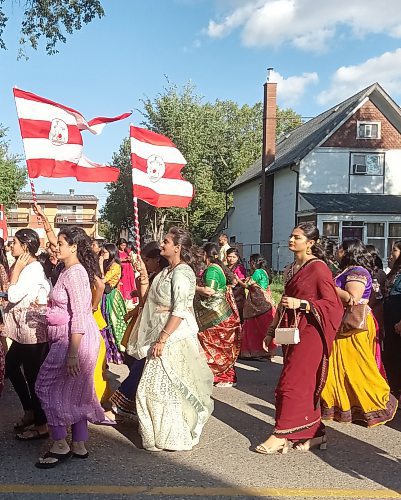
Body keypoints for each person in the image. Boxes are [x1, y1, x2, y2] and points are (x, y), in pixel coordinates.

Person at [256, 223, 343, 454]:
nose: (292, 240)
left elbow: (333, 305)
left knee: (290, 384)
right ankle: (316, 434)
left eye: (297, 237)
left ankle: (281, 434)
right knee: (300, 384)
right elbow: (285, 301)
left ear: (311, 242)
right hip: (292, 332)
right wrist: (271, 331)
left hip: (311, 333)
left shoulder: (319, 269)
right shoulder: (292, 268)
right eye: (291, 236)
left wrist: (303, 304)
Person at [134, 227, 214, 451]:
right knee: (154, 388)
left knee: (163, 388)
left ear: (178, 248)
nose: (162, 244)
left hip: (173, 337)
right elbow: (148, 302)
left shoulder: (182, 272)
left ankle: (173, 436)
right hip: (161, 334)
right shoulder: (166, 271)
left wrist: (162, 339)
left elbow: (179, 310)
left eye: (166, 241)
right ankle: (158, 435)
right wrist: (142, 275)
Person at [35, 226, 105, 469]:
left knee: (45, 386)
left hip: (73, 341)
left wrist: (73, 353)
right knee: (76, 390)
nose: (57, 246)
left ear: (74, 246)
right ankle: (79, 444)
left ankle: (60, 443)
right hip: (72, 339)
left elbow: (79, 316)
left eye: (61, 243)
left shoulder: (75, 273)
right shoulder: (69, 269)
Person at [321, 238, 398, 428]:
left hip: (354, 326)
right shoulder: (347, 271)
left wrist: (329, 286)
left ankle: (376, 403)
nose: (337, 252)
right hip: (343, 325)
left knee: (357, 367)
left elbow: (353, 298)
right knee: (340, 367)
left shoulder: (358, 272)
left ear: (348, 251)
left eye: (340, 249)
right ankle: (343, 405)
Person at [107, 242, 168, 421]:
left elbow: (146, 300)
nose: (145, 263)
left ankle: (122, 406)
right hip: (144, 323)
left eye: (147, 260)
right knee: (133, 361)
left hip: (157, 328)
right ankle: (132, 404)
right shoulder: (156, 274)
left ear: (157, 260)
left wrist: (142, 277)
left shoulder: (163, 277)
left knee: (140, 365)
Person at [1, 229, 50, 440]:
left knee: (33, 378)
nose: (11, 246)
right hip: (23, 332)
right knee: (11, 367)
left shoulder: (32, 269)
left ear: (25, 247)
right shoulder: (28, 267)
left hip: (33, 333)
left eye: (15, 243)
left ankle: (41, 425)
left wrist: (17, 270)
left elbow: (13, 294)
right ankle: (30, 411)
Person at [196, 242, 241, 387]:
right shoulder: (217, 268)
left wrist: (193, 287)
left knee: (217, 347)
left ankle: (225, 377)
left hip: (216, 315)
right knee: (221, 347)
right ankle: (222, 376)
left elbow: (210, 291)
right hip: (219, 314)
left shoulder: (212, 270)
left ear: (205, 254)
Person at [240, 253, 276, 359]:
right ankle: (265, 351)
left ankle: (254, 352)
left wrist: (237, 280)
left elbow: (248, 285)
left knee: (253, 327)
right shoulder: (265, 272)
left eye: (251, 262)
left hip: (256, 305)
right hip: (266, 303)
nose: (250, 264)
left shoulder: (257, 272)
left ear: (254, 262)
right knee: (263, 329)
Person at [99, 244, 126, 364]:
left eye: (104, 252)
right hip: (104, 296)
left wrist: (100, 264)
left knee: (113, 323)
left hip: (111, 297)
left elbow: (103, 280)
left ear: (111, 252)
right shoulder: (107, 264)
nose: (102, 255)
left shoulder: (115, 266)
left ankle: (117, 353)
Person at [382, 240, 401, 398]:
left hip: (399, 322)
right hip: (389, 322)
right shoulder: (394, 272)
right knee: (390, 356)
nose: (391, 254)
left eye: (394, 250)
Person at [226, 248, 246, 323]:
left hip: (237, 297)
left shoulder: (239, 268)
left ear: (237, 258)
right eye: (229, 256)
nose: (231, 259)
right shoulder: (225, 268)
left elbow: (242, 285)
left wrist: (234, 296)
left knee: (238, 318)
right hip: (227, 296)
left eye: (233, 257)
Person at [0, 237, 9, 397]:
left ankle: (6, 368)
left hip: (0, 308)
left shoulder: (1, 267)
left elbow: (6, 288)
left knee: (2, 339)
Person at [117, 237, 137, 306]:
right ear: (119, 245)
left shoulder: (127, 251)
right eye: (122, 245)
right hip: (122, 270)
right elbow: (116, 260)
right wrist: (123, 260)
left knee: (129, 283)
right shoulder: (116, 252)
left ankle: (130, 298)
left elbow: (131, 260)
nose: (123, 247)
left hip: (128, 270)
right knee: (123, 283)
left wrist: (130, 259)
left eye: (124, 245)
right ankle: (123, 298)